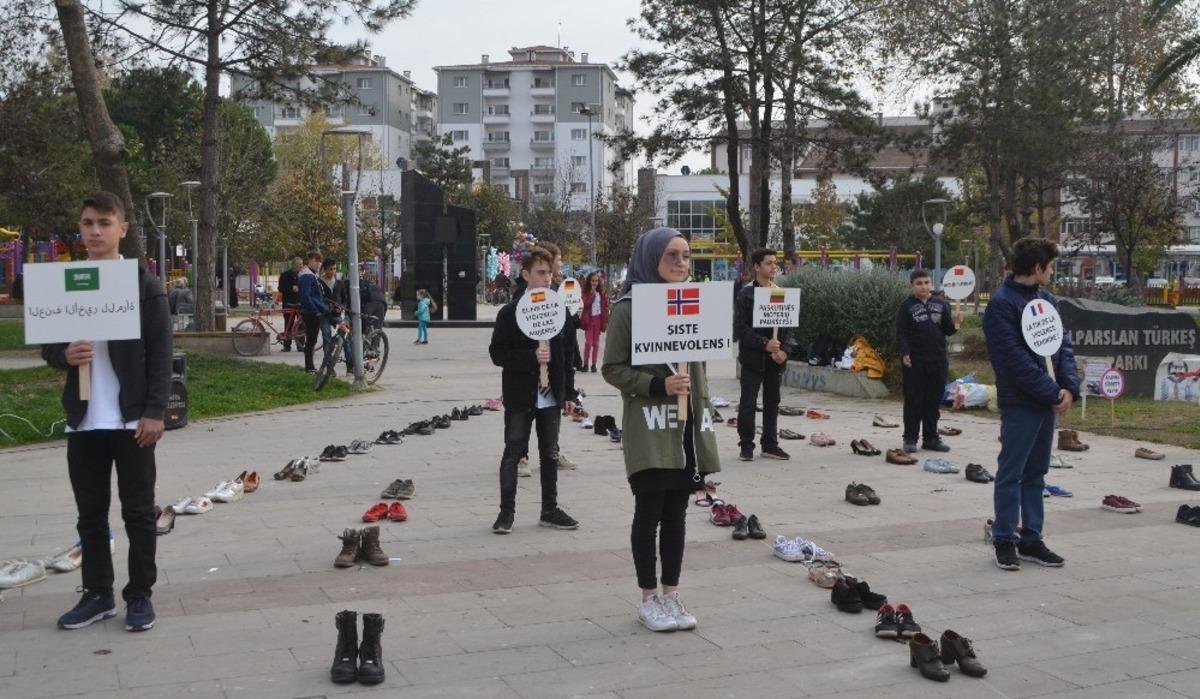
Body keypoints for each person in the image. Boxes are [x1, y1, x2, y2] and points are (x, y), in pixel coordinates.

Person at [41, 191, 171, 632]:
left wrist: (155, 411)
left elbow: (161, 353)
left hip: (133, 420)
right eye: (87, 222)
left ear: (122, 229)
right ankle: (97, 594)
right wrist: (65, 354)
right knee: (90, 514)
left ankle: (139, 595)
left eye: (103, 222)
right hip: (85, 421)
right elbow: (49, 344)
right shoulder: (67, 281)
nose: (94, 231)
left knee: (137, 512)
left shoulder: (143, 285)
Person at [602, 227, 720, 632]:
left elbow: (702, 365)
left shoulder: (699, 303)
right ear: (650, 257)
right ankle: (648, 598)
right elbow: (612, 368)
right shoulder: (629, 307)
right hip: (651, 427)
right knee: (649, 511)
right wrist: (657, 385)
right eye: (672, 255)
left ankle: (672, 593)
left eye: (686, 256)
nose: (681, 264)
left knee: (677, 514)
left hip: (687, 429)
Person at [983, 237, 1080, 571]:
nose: (1052, 272)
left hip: (1046, 399)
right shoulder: (1001, 304)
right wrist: (1051, 393)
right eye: (1050, 267)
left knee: (1037, 472)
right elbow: (1012, 360)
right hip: (1021, 402)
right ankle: (1005, 540)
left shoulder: (1046, 299)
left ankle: (1031, 539)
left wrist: (1068, 386)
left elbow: (1061, 347)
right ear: (1037, 269)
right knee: (1012, 473)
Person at [487, 246, 579, 534]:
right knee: (513, 452)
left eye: (550, 273)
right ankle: (506, 513)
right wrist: (530, 357)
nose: (547, 278)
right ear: (525, 274)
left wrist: (568, 394)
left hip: (550, 395)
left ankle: (549, 509)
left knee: (550, 453)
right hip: (520, 395)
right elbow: (497, 354)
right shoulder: (510, 313)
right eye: (541, 272)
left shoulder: (559, 311)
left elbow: (566, 356)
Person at [733, 249, 794, 461]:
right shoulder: (746, 294)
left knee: (772, 401)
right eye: (768, 263)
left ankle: (770, 444)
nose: (773, 267)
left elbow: (788, 328)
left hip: (774, 362)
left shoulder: (780, 292)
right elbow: (740, 329)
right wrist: (764, 344)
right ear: (757, 266)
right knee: (748, 402)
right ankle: (746, 446)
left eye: (775, 263)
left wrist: (784, 350)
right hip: (752, 360)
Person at [895, 269, 961, 453]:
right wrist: (905, 352)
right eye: (919, 283)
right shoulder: (906, 306)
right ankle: (910, 438)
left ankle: (931, 438)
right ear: (912, 286)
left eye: (926, 282)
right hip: (915, 361)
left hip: (938, 360)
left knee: (933, 402)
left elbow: (948, 330)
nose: (923, 286)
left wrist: (956, 323)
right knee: (914, 401)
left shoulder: (941, 304)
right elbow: (901, 332)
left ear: (931, 284)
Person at [298, 251, 327, 373]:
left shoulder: (311, 275)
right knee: (311, 341)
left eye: (320, 261)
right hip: (312, 313)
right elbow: (306, 296)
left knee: (312, 340)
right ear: (311, 260)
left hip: (314, 311)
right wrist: (315, 310)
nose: (319, 264)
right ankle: (309, 367)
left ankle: (310, 366)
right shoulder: (307, 276)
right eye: (318, 261)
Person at [580, 271, 609, 373]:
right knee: (588, 343)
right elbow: (586, 304)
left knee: (596, 344)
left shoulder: (601, 293)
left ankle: (593, 364)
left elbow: (604, 308)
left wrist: (605, 322)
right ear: (589, 281)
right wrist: (592, 295)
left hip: (598, 320)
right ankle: (585, 364)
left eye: (596, 281)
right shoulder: (586, 292)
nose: (594, 283)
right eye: (592, 281)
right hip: (589, 320)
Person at [278, 257, 303, 351]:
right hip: (289, 302)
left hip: (300, 303)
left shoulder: (303, 275)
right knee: (288, 323)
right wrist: (291, 288)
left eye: (301, 264)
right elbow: (280, 288)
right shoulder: (285, 275)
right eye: (299, 264)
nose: (301, 266)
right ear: (294, 265)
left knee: (301, 325)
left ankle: (301, 345)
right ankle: (287, 345)